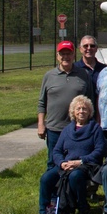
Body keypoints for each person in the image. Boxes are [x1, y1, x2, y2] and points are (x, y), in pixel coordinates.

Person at [37, 95, 104, 214]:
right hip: (66, 165)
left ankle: (82, 207)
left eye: (85, 109)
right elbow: (56, 151)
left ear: (90, 112)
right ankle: (43, 212)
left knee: (75, 176)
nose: (81, 111)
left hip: (86, 165)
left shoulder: (95, 129)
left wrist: (80, 161)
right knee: (46, 178)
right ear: (73, 112)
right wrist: (62, 163)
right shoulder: (67, 130)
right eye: (78, 108)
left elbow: (99, 151)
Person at [37, 40, 94, 170]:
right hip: (54, 128)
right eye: (62, 54)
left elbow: (90, 101)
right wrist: (41, 124)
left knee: (75, 163)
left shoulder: (83, 74)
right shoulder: (49, 76)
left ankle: (71, 190)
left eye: (68, 53)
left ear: (73, 55)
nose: (65, 57)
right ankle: (53, 189)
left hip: (77, 128)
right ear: (57, 56)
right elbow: (42, 102)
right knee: (53, 162)